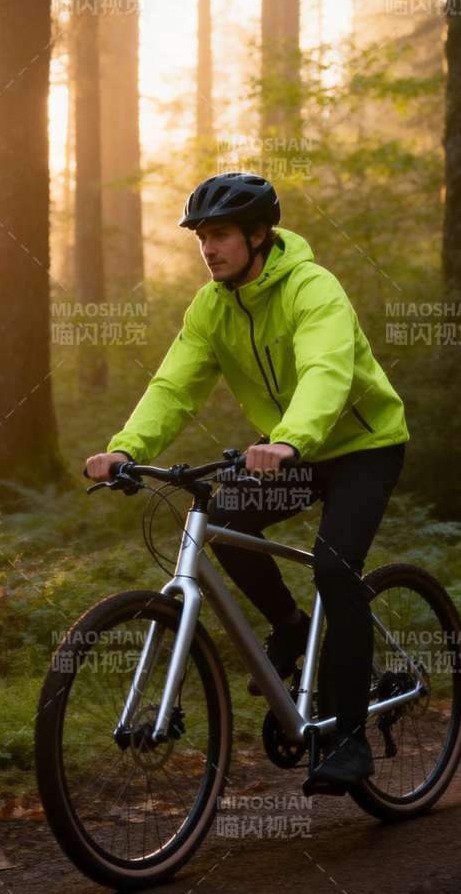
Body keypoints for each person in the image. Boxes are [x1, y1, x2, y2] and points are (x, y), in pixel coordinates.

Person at [84, 172, 409, 792]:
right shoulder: (211, 307)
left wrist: (289, 439)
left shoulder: (314, 288)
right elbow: (175, 388)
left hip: (363, 445)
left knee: (335, 570)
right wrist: (125, 450)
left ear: (260, 235)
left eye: (222, 234)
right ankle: (289, 626)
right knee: (223, 523)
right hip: (291, 452)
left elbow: (325, 369)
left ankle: (348, 738)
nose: (208, 248)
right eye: (202, 237)